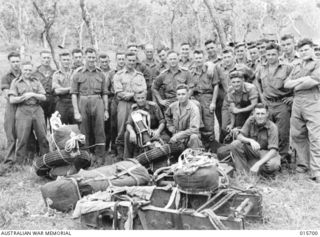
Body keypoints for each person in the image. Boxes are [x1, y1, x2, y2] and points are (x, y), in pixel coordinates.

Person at [284, 38, 320, 183]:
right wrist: (303, 80)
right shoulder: (297, 65)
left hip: (313, 101)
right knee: (297, 134)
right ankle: (302, 165)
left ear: (312, 49)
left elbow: (313, 81)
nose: (304, 52)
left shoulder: (318, 63)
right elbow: (286, 84)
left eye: (306, 49)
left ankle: (316, 169)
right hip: (297, 102)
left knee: (315, 136)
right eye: (302, 50)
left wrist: (296, 84)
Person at [255, 43, 293, 164]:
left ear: (279, 54)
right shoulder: (261, 68)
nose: (270, 57)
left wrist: (293, 96)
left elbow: (295, 82)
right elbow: (257, 82)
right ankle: (268, 157)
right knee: (267, 131)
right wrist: (262, 96)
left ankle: (283, 159)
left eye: (273, 54)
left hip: (282, 104)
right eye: (268, 54)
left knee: (282, 132)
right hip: (267, 105)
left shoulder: (287, 68)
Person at [71, 47, 109, 166]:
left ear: (96, 58)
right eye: (89, 57)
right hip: (83, 101)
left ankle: (99, 156)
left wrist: (106, 110)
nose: (91, 60)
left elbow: (105, 93)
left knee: (99, 129)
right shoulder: (77, 74)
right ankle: (85, 156)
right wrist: (76, 112)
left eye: (93, 57)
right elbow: (74, 94)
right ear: (84, 58)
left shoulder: (101, 74)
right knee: (84, 130)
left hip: (98, 101)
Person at [8, 61, 49, 167]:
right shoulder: (16, 82)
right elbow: (12, 100)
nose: (28, 72)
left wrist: (33, 94)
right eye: (25, 69)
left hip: (37, 109)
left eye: (30, 70)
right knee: (22, 138)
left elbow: (44, 97)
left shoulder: (36, 81)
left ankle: (47, 161)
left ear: (32, 70)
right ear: (22, 69)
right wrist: (23, 97)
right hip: (23, 110)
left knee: (43, 137)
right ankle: (20, 164)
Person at [227, 103, 281, 176]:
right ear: (254, 114)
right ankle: (243, 174)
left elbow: (273, 151)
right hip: (253, 150)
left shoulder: (272, 127)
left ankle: (254, 166)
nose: (260, 116)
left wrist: (258, 164)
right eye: (257, 113)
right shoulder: (250, 120)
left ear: (267, 114)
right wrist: (250, 140)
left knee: (273, 165)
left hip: (266, 152)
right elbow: (239, 136)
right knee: (235, 144)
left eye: (262, 114)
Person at [212, 48, 254, 140]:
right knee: (225, 126)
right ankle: (227, 146)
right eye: (224, 57)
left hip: (242, 99)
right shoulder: (218, 68)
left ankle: (240, 146)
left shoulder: (242, 67)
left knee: (240, 125)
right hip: (228, 100)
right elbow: (216, 84)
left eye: (229, 57)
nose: (227, 59)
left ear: (234, 57)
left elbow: (253, 77)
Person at [113, 52, 147, 160]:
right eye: (129, 60)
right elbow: (119, 93)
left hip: (137, 104)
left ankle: (137, 151)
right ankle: (120, 152)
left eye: (133, 60)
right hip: (124, 104)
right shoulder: (118, 75)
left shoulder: (139, 76)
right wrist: (132, 94)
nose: (131, 63)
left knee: (139, 125)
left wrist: (131, 94)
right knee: (122, 126)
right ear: (125, 60)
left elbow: (144, 91)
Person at [124, 90, 167, 158]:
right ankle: (127, 158)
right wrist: (132, 132)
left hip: (154, 130)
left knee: (165, 142)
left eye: (142, 98)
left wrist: (158, 131)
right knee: (127, 133)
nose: (141, 100)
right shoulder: (134, 108)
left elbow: (162, 121)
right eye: (138, 98)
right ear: (135, 98)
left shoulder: (153, 106)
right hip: (141, 132)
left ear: (146, 97)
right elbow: (128, 123)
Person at [0, 52, 21, 174]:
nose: (16, 64)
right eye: (13, 61)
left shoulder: (25, 74)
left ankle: (23, 159)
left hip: (24, 107)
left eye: (17, 61)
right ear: (9, 62)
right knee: (11, 134)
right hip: (12, 107)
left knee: (25, 134)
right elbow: (7, 94)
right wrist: (20, 94)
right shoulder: (6, 77)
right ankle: (9, 161)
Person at [191, 49, 216, 149]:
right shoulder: (192, 71)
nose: (198, 60)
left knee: (208, 123)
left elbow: (216, 86)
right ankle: (201, 147)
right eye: (196, 58)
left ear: (204, 58)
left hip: (207, 97)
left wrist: (213, 102)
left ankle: (211, 146)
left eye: (200, 58)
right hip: (196, 98)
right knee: (198, 122)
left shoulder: (210, 70)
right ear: (194, 59)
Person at [165, 84, 202, 149]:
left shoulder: (194, 108)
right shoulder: (173, 106)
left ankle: (195, 154)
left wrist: (178, 136)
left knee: (194, 137)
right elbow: (167, 115)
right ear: (176, 96)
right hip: (177, 134)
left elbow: (194, 129)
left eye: (183, 94)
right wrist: (170, 126)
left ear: (188, 95)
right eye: (179, 94)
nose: (181, 97)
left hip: (189, 136)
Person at [105, 51, 126, 155]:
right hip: (115, 100)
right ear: (116, 60)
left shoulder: (129, 72)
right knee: (113, 125)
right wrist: (113, 93)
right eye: (119, 59)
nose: (121, 61)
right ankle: (114, 149)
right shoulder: (112, 73)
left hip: (127, 100)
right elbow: (105, 88)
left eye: (123, 59)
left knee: (125, 124)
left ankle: (125, 148)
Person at [33, 50, 56, 125]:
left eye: (48, 58)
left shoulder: (55, 72)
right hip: (40, 101)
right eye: (44, 57)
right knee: (41, 127)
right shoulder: (34, 73)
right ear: (40, 58)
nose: (46, 60)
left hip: (53, 101)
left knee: (55, 126)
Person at [52, 51, 75, 124]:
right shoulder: (56, 74)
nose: (66, 62)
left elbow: (78, 89)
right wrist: (71, 88)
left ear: (71, 60)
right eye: (64, 60)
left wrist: (63, 89)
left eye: (68, 60)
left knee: (75, 127)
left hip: (74, 102)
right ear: (60, 61)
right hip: (62, 102)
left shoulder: (75, 73)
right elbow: (57, 91)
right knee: (61, 127)